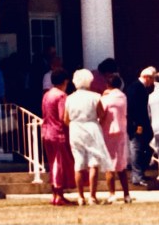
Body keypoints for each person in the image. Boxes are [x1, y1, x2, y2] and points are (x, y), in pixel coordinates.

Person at [63, 67, 112, 205]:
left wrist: (74, 124)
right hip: (91, 127)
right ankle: (92, 196)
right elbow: (102, 114)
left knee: (78, 162)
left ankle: (80, 197)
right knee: (93, 163)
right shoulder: (95, 96)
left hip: (75, 128)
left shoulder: (69, 98)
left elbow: (65, 119)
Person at [41, 67, 75, 206]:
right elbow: (63, 116)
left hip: (46, 132)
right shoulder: (61, 96)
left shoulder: (47, 95)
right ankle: (59, 195)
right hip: (58, 133)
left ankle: (55, 194)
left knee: (53, 163)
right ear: (65, 81)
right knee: (59, 164)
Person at [101, 74, 132, 204]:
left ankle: (112, 193)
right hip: (121, 131)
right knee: (121, 164)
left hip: (109, 131)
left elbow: (101, 113)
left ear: (108, 85)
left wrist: (103, 96)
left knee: (109, 164)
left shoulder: (106, 98)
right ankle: (126, 194)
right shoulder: (123, 97)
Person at [126, 66, 155, 187]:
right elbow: (134, 107)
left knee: (146, 148)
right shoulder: (136, 87)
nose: (152, 82)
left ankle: (140, 173)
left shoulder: (138, 87)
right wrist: (137, 124)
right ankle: (137, 176)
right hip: (138, 124)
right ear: (147, 77)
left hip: (142, 124)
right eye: (152, 79)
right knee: (137, 148)